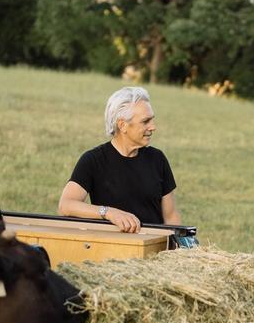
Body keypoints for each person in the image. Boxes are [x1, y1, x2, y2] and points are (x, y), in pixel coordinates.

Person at [58, 86, 182, 233]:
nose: (153, 127)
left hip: (154, 248)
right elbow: (66, 205)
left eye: (152, 120)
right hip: (113, 247)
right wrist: (109, 213)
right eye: (145, 121)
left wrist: (181, 248)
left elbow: (171, 215)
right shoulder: (93, 160)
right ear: (122, 125)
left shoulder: (157, 159)